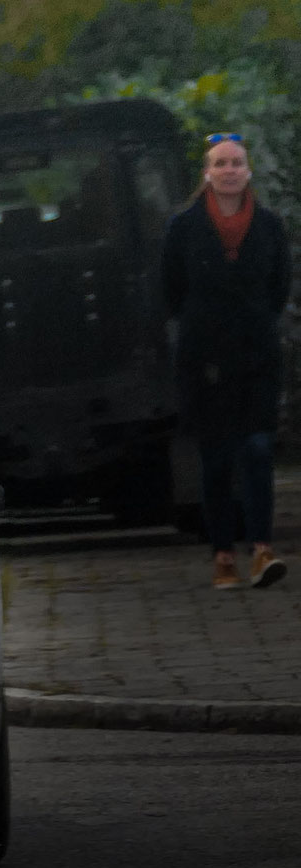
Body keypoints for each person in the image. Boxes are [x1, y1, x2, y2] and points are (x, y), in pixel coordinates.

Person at [162, 133, 290, 590]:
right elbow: (172, 292)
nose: (230, 170)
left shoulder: (270, 226)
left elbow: (279, 288)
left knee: (256, 451)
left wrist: (252, 324)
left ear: (248, 170)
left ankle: (261, 548)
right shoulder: (183, 228)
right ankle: (221, 554)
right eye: (221, 163)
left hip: (257, 355)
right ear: (208, 173)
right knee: (216, 460)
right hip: (205, 361)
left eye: (237, 162)